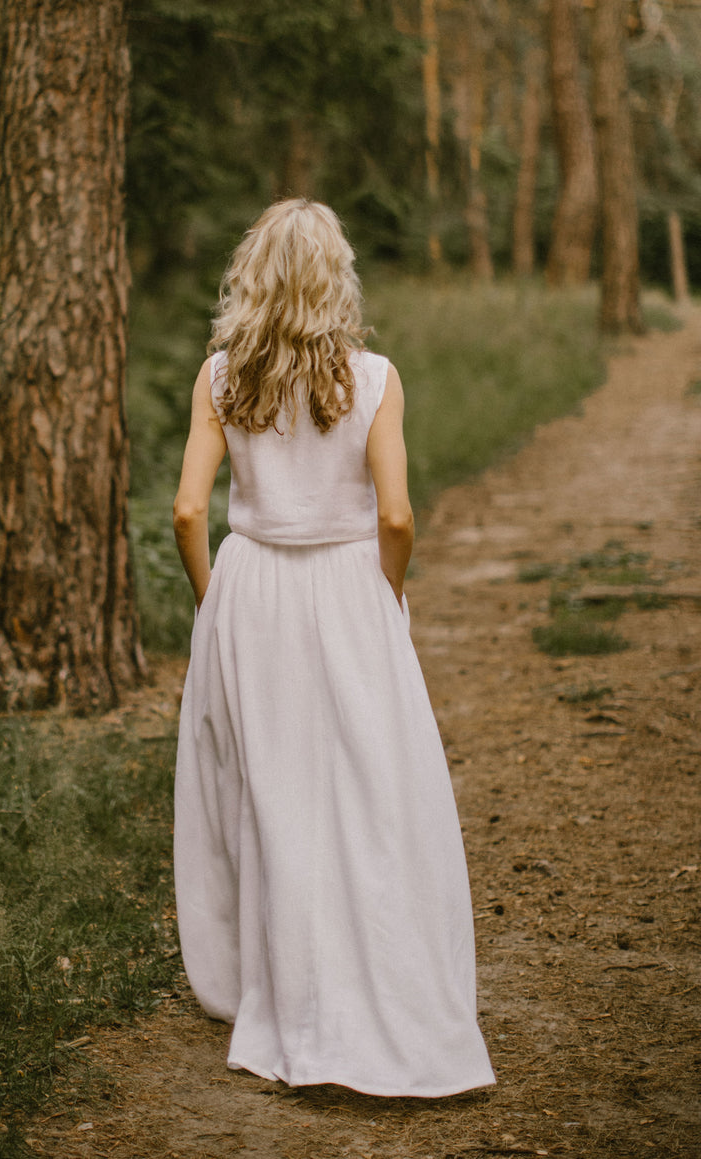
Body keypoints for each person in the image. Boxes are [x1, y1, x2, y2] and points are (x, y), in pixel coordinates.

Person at [172, 198, 495, 1097]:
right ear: (335, 278)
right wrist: (387, 587)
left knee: (268, 787)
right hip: (349, 586)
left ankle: (278, 987)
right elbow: (396, 513)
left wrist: (215, 599)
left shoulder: (219, 379)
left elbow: (188, 510)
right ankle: (381, 977)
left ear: (254, 276)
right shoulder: (376, 378)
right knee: (370, 784)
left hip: (253, 589)